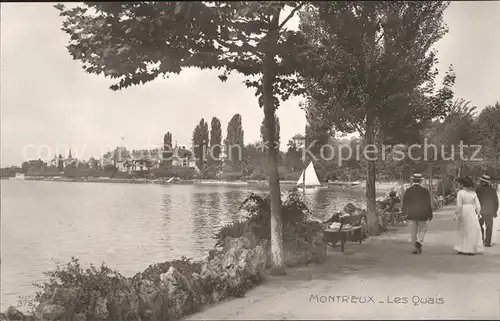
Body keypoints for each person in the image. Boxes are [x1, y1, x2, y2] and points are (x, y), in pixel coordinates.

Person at [402, 173, 433, 254]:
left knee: (413, 233)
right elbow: (428, 203)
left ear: (413, 180)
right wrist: (430, 214)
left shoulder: (409, 190)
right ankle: (419, 242)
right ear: (421, 181)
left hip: (412, 213)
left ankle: (415, 248)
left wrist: (404, 212)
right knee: (423, 229)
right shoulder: (425, 191)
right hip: (423, 213)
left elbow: (405, 202)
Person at [453, 176, 484, 255]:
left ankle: (461, 248)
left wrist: (456, 213)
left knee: (463, 229)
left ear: (463, 185)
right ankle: (471, 249)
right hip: (471, 211)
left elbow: (459, 205)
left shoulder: (460, 193)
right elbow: (478, 205)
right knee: (472, 229)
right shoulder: (473, 193)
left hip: (464, 210)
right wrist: (478, 213)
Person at [475, 174, 499, 247]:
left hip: (480, 211)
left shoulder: (478, 189)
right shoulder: (493, 190)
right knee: (489, 227)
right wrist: (495, 211)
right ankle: (487, 242)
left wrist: (475, 210)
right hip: (489, 211)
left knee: (479, 225)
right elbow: (496, 202)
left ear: (482, 182)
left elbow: (476, 201)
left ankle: (481, 239)